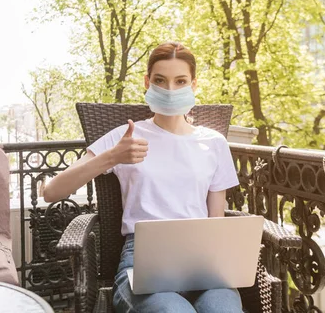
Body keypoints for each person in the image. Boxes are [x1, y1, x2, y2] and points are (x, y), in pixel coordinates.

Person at [44, 42, 242, 313]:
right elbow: (52, 191)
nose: (170, 89)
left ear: (193, 85)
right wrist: (112, 157)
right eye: (160, 80)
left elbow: (215, 222)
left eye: (180, 80)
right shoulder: (125, 137)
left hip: (201, 262)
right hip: (141, 263)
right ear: (147, 83)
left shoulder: (214, 143)